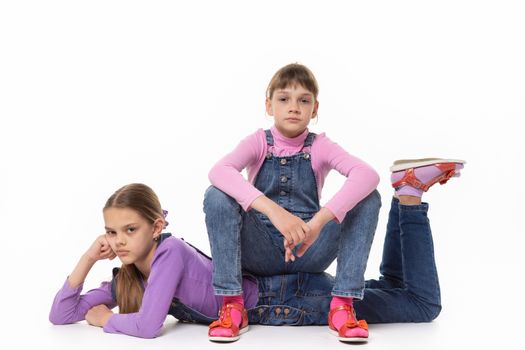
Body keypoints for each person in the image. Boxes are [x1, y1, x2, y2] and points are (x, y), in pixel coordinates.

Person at [49, 158, 465, 343]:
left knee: (421, 305)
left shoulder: (169, 252)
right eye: (111, 232)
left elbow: (148, 325)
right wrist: (88, 258)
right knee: (394, 288)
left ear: (157, 226)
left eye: (130, 229)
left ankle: (409, 197)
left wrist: (105, 320)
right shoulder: (128, 277)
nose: (119, 240)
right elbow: (61, 314)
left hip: (289, 300)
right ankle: (404, 194)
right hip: (287, 294)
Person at [203, 63, 380, 341]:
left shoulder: (320, 145)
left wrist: (316, 224)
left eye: (304, 100)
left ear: (315, 109)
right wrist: (275, 212)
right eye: (284, 99)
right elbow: (219, 171)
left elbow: (367, 175)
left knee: (368, 198)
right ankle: (232, 304)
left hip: (308, 250)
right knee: (216, 194)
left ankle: (342, 306)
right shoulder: (259, 142)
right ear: (269, 106)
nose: (294, 107)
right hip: (259, 249)